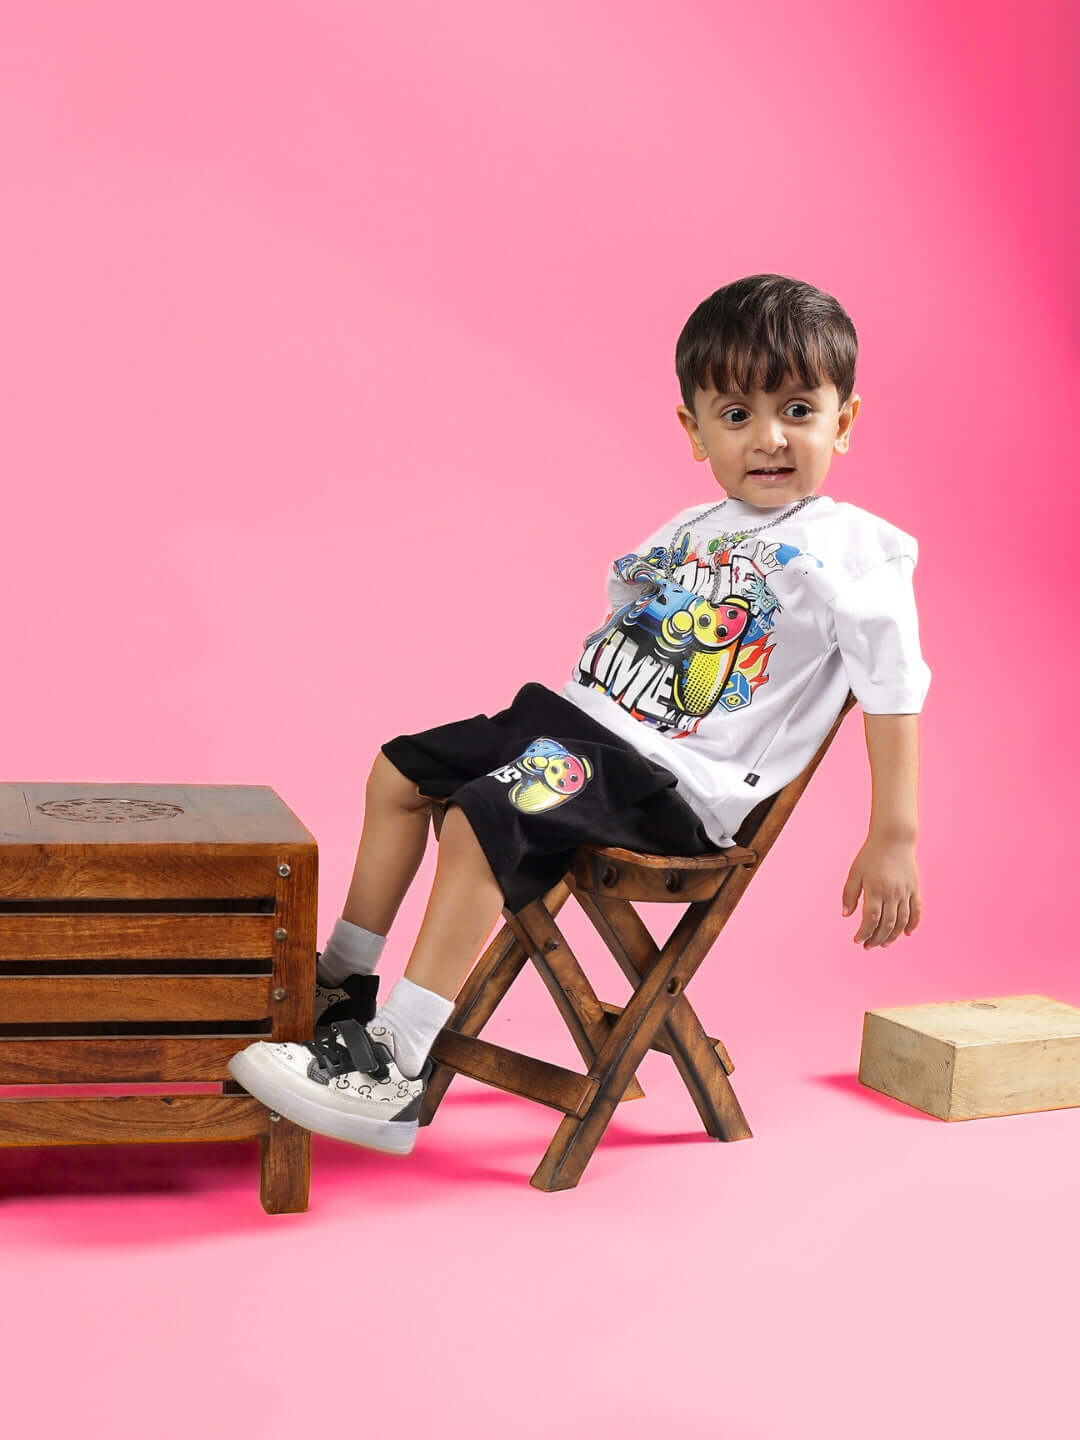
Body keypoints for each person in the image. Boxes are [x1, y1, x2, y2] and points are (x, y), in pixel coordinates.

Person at [228, 273, 931, 1155]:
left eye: (798, 409)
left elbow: (893, 687)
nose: (770, 437)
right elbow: (628, 615)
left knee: (485, 815)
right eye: (737, 414)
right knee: (402, 769)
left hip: (669, 783)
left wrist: (894, 834)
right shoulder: (691, 526)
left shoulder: (857, 549)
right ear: (695, 431)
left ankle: (395, 1066)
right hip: (578, 728)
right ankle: (343, 983)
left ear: (844, 420)